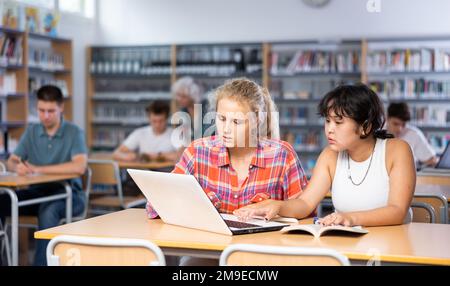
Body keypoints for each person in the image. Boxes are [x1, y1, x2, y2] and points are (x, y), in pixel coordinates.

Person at [146, 78, 308, 265]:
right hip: (209, 250)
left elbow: (304, 210)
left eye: (237, 122)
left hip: (264, 252)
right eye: (221, 119)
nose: (226, 130)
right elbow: (158, 201)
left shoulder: (282, 155)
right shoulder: (198, 151)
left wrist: (278, 206)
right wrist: (190, 204)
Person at [235, 84, 416, 227]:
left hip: (393, 241)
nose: (329, 129)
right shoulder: (330, 156)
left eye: (338, 122)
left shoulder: (397, 151)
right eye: (327, 121)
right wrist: (277, 205)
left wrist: (350, 219)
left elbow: (397, 211)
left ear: (366, 126)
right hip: (346, 242)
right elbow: (305, 203)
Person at [1, 85, 87, 266]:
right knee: (1, 201)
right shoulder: (32, 131)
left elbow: (79, 167)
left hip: (70, 195)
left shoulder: (74, 132)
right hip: (37, 193)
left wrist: (39, 169)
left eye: (50, 111)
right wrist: (17, 167)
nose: (45, 116)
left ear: (61, 107)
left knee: (48, 212)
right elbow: (11, 161)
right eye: (41, 110)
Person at [112, 100, 179, 163]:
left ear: (167, 118)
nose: (157, 125)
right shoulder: (140, 133)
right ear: (149, 118)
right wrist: (127, 157)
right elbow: (116, 153)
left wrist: (159, 155)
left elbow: (183, 157)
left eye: (161, 121)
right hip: (144, 171)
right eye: (154, 121)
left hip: (166, 173)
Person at [387, 102, 438, 168]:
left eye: (403, 125)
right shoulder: (377, 132)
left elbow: (432, 160)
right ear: (387, 118)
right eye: (395, 124)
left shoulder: (414, 134)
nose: (400, 129)